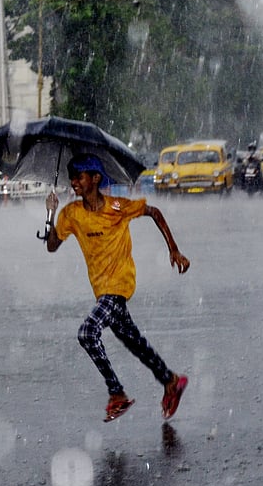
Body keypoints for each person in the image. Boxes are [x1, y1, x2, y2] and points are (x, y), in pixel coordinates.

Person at [44, 153, 191, 422]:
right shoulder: (71, 214)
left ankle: (117, 393)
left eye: (79, 177)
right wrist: (50, 213)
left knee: (87, 333)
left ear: (95, 178)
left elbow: (154, 212)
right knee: (133, 341)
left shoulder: (116, 207)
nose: (74, 182)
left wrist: (174, 250)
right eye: (72, 177)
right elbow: (52, 246)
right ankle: (171, 381)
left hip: (120, 285)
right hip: (102, 290)